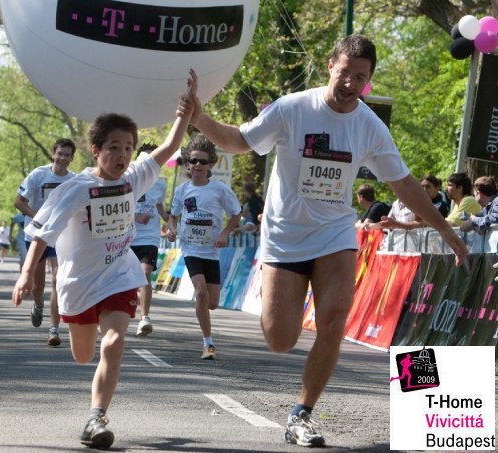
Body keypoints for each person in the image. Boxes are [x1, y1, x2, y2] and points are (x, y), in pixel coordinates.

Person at [188, 35, 466, 448]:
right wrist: (200, 119)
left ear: (368, 81)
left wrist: (443, 227)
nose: (351, 83)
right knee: (280, 339)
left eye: (361, 77)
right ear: (330, 66)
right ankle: (282, 322)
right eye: (345, 72)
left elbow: (403, 183)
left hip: (335, 234)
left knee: (334, 319)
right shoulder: (292, 108)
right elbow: (241, 141)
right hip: (285, 236)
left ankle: (302, 413)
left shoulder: (369, 126)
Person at [11, 69, 196, 449]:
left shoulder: (133, 178)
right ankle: (91, 388)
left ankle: (96, 418)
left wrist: (185, 111)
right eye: (114, 147)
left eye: (128, 147)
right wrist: (26, 275)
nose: (122, 155)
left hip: (119, 276)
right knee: (82, 356)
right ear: (95, 150)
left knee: (113, 342)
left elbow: (169, 146)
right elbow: (42, 234)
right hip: (79, 283)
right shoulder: (76, 188)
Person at [167, 132, 241, 359]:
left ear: (210, 165)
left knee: (212, 303)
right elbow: (173, 216)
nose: (197, 165)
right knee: (200, 293)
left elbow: (236, 214)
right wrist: (172, 229)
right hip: (191, 249)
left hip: (212, 251)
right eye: (194, 161)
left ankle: (206, 327)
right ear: (188, 164)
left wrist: (225, 233)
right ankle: (208, 343)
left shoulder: (219, 189)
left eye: (202, 161)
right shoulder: (182, 190)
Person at [15, 138, 77, 347]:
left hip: (60, 236)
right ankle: (38, 304)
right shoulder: (38, 174)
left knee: (58, 279)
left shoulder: (74, 180)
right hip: (37, 235)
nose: (62, 158)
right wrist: (39, 218)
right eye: (60, 154)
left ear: (72, 158)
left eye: (67, 155)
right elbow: (18, 201)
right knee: (38, 285)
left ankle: (54, 328)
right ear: (53, 154)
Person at [130, 142, 168, 336]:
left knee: (145, 273)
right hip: (127, 236)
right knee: (124, 279)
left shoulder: (161, 184)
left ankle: (144, 318)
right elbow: (116, 207)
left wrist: (168, 221)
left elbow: (159, 204)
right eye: (145, 158)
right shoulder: (128, 180)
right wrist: (135, 217)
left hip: (149, 237)